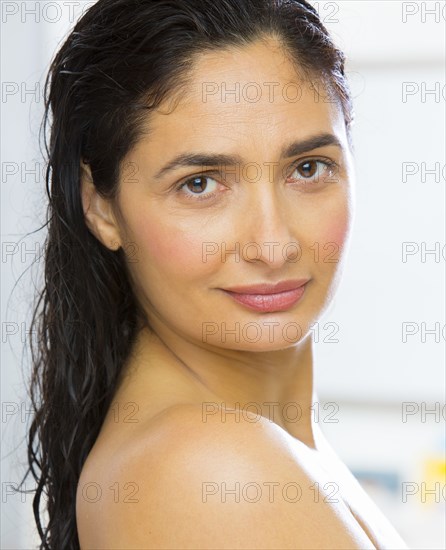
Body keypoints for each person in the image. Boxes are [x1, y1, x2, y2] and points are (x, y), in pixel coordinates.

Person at [24, 0, 409, 548]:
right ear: (100, 207)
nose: (272, 245)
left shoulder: (266, 443)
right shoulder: (208, 467)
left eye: (307, 168)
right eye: (200, 183)